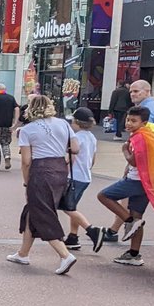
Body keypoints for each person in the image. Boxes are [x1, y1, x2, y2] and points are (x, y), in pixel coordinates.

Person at [6, 95, 79, 274]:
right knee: (33, 210)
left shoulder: (27, 130)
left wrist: (26, 183)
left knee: (42, 212)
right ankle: (23, 253)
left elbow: (26, 161)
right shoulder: (63, 124)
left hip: (40, 171)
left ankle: (64, 254)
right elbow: (75, 148)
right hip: (60, 168)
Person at [98, 107, 154, 266]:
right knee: (138, 217)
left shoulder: (139, 137)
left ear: (144, 123)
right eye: (128, 120)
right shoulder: (147, 134)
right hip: (146, 181)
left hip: (136, 181)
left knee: (103, 195)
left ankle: (128, 220)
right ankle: (134, 253)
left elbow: (134, 161)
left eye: (133, 121)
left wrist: (124, 150)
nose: (129, 123)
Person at [61, 108, 106, 253]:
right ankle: (73, 237)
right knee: (72, 206)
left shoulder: (76, 138)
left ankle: (92, 230)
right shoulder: (92, 137)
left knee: (67, 207)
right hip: (85, 176)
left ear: (77, 122)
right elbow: (93, 159)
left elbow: (71, 158)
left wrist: (62, 171)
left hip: (74, 176)